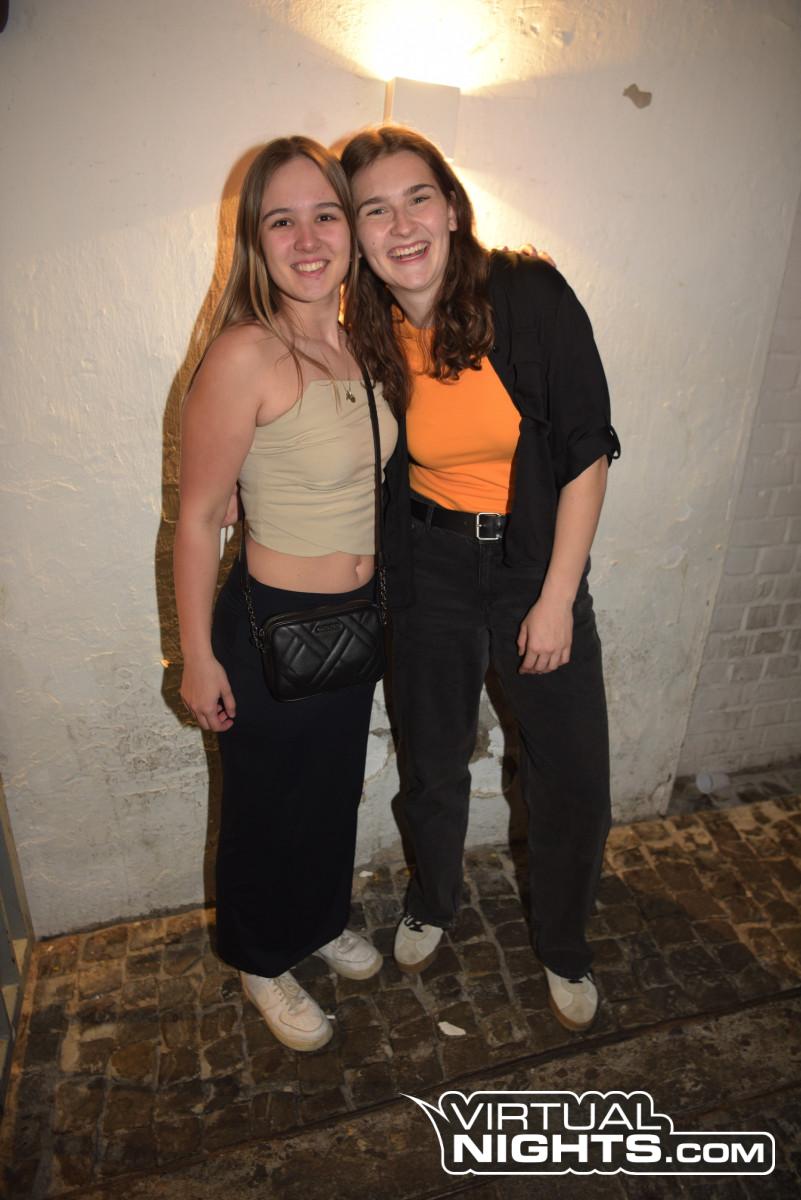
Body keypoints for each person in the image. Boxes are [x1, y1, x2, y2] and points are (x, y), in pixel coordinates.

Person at [341, 125, 620, 1032]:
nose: (401, 225)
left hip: (531, 563)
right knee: (431, 759)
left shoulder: (526, 296)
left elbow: (585, 452)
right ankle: (432, 898)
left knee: (569, 774)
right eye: (374, 210)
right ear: (355, 235)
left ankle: (564, 943)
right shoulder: (366, 331)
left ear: (453, 208)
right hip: (428, 567)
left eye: (417, 198)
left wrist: (554, 598)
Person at [173, 136, 397, 1052]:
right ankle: (261, 958)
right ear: (255, 241)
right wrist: (196, 657)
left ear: (348, 228)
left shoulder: (360, 344)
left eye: (324, 215)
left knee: (331, 792)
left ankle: (318, 918)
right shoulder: (246, 354)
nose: (307, 240)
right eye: (281, 221)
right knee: (266, 806)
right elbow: (197, 520)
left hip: (354, 624)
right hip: (269, 629)